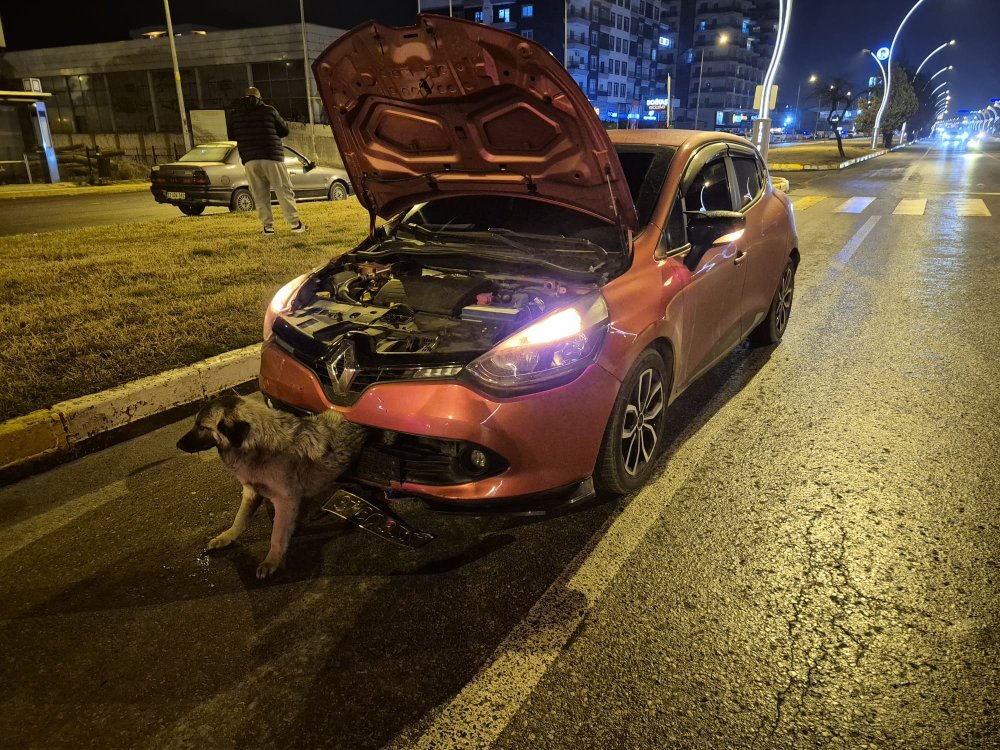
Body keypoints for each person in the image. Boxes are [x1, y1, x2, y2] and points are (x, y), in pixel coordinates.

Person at [226, 87, 306, 235]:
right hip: (271, 156)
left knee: (260, 194)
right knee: (283, 190)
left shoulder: (235, 114)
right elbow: (284, 130)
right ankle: (295, 224)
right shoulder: (269, 110)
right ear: (259, 97)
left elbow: (232, 135)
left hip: (250, 159)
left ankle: (268, 227)